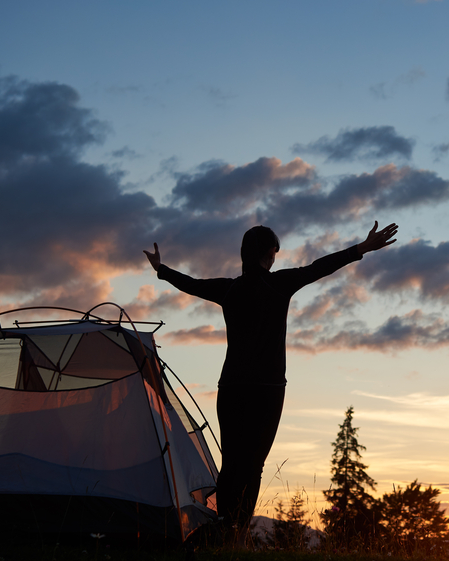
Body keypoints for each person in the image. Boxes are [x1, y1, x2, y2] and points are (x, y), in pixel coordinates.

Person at [143, 221, 398, 540]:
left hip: (231, 387)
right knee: (253, 465)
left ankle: (224, 526)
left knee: (231, 462)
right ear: (269, 253)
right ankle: (236, 533)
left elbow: (192, 284)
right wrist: (360, 248)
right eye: (275, 252)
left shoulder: (229, 289)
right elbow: (318, 268)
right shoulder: (279, 284)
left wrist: (161, 269)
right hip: (267, 391)